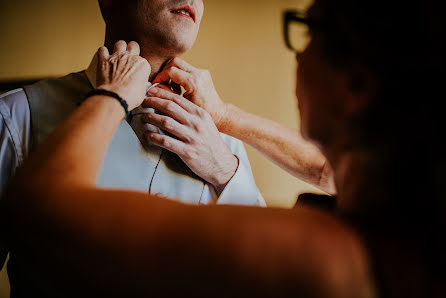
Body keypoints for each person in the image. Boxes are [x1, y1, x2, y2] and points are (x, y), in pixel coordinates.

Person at [4, 0, 445, 297]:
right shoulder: (14, 116)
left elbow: (43, 211)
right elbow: (330, 173)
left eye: (310, 34)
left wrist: (228, 172)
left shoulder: (230, 160)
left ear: (358, 85)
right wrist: (226, 120)